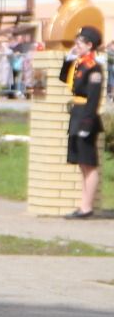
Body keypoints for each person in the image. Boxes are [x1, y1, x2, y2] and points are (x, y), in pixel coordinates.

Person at [60, 26, 103, 219]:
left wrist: (87, 123)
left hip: (86, 116)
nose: (76, 46)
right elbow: (64, 79)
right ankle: (83, 205)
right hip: (76, 114)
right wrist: (67, 62)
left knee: (89, 163)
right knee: (82, 164)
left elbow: (93, 98)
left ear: (89, 45)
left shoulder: (94, 67)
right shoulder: (80, 63)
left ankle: (87, 207)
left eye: (79, 42)